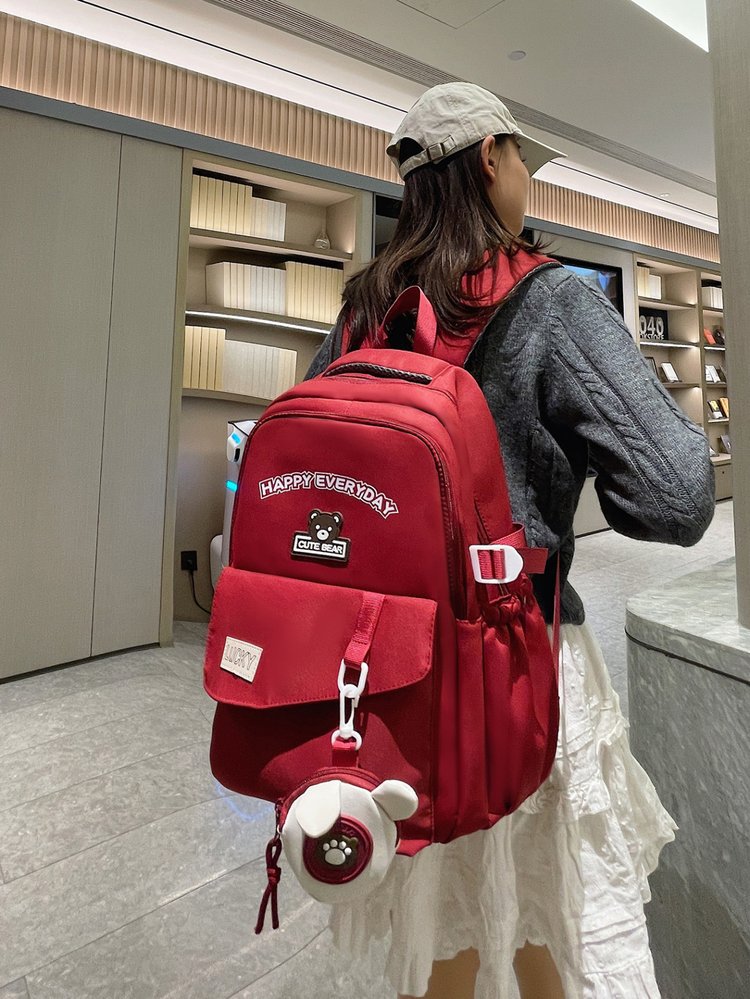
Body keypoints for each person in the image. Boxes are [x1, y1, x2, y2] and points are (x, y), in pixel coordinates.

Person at [305, 82, 715, 999]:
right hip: (521, 664)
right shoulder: (553, 300)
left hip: (389, 672)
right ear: (491, 158)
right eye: (525, 158)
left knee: (439, 918)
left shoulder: (363, 307)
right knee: (554, 910)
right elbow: (680, 495)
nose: (528, 177)